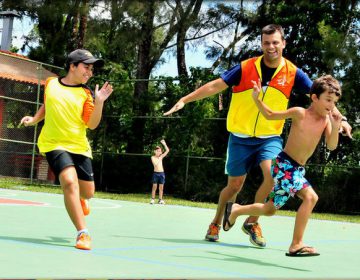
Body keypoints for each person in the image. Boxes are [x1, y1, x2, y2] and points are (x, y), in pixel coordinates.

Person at [163, 24, 352, 247]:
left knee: (272, 175)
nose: (271, 47)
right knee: (234, 186)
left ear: (283, 43)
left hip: (269, 136)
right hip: (240, 135)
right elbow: (216, 86)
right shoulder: (246, 67)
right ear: (261, 44)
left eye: (275, 42)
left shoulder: (293, 73)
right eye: (266, 43)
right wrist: (185, 99)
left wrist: (343, 120)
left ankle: (252, 222)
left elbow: (324, 96)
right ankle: (216, 221)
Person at [222, 75, 342, 256]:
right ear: (314, 98)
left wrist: (336, 123)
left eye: (334, 102)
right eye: (328, 100)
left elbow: (332, 145)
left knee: (269, 209)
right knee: (311, 197)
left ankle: (236, 210)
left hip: (297, 170)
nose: (331, 105)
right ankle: (296, 244)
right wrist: (256, 98)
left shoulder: (326, 121)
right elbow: (270, 115)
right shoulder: (300, 113)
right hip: (285, 164)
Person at [20, 49, 113, 250]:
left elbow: (92, 124)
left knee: (88, 193)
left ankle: (82, 199)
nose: (90, 72)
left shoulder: (86, 94)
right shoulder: (51, 83)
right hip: (53, 144)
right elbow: (48, 105)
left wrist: (99, 102)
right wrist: (34, 119)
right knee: (69, 182)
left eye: (91, 69)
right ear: (72, 66)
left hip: (79, 146)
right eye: (86, 67)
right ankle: (83, 233)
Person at [150, 139, 170, 204]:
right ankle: (153, 199)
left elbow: (167, 150)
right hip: (156, 174)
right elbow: (155, 164)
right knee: (154, 187)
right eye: (157, 151)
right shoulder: (152, 157)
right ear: (155, 151)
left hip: (162, 174)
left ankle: (160, 200)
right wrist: (159, 158)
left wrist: (164, 144)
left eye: (159, 151)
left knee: (161, 188)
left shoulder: (161, 156)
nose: (158, 152)